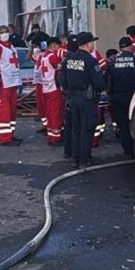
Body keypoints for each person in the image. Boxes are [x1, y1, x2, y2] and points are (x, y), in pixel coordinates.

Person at [59, 32, 106, 168]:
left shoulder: (68, 59)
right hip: (87, 99)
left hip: (72, 98)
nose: (93, 45)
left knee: (76, 128)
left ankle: (76, 158)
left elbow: (63, 80)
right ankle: (84, 159)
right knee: (87, 129)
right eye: (92, 43)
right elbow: (99, 83)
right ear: (87, 44)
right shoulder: (91, 61)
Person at [107, 37, 135, 159]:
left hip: (117, 98)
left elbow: (107, 83)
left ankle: (128, 152)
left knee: (123, 126)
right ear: (131, 47)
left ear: (120, 48)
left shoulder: (112, 63)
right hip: (134, 97)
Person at [0, 25, 23, 146]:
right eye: (2, 32)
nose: (5, 34)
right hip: (2, 83)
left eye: (6, 32)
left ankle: (11, 134)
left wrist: (19, 82)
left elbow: (14, 65)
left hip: (13, 82)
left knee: (12, 111)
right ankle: (5, 138)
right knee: (4, 111)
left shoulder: (11, 46)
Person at [40, 37, 65, 146]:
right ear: (54, 45)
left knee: (50, 113)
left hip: (46, 88)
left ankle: (51, 135)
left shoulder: (43, 56)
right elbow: (60, 69)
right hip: (54, 88)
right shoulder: (53, 57)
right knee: (56, 113)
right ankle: (55, 138)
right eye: (58, 47)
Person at [31, 43, 48, 134]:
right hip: (38, 83)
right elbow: (29, 57)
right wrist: (31, 48)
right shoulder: (38, 56)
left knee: (47, 106)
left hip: (45, 84)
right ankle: (45, 125)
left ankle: (50, 126)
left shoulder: (49, 55)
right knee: (41, 106)